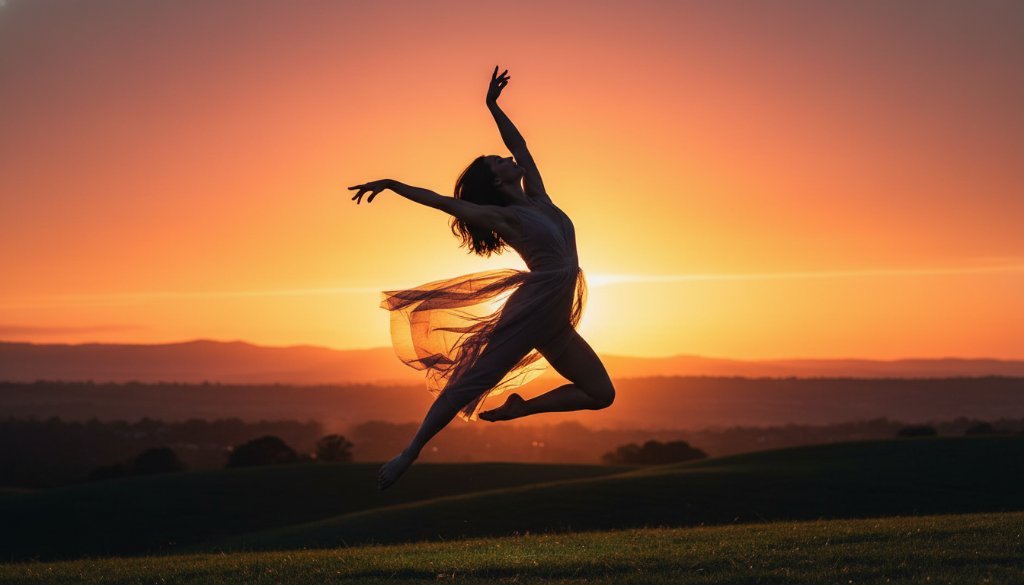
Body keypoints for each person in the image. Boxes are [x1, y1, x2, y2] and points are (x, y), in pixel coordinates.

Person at [349, 66, 615, 491]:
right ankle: (409, 452)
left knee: (601, 394)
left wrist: (492, 105)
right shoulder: (502, 217)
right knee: (470, 382)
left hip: (555, 318)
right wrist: (392, 183)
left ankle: (520, 409)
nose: (506, 157)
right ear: (494, 179)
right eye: (497, 160)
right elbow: (438, 202)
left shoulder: (539, 198)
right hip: (533, 310)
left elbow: (521, 145)